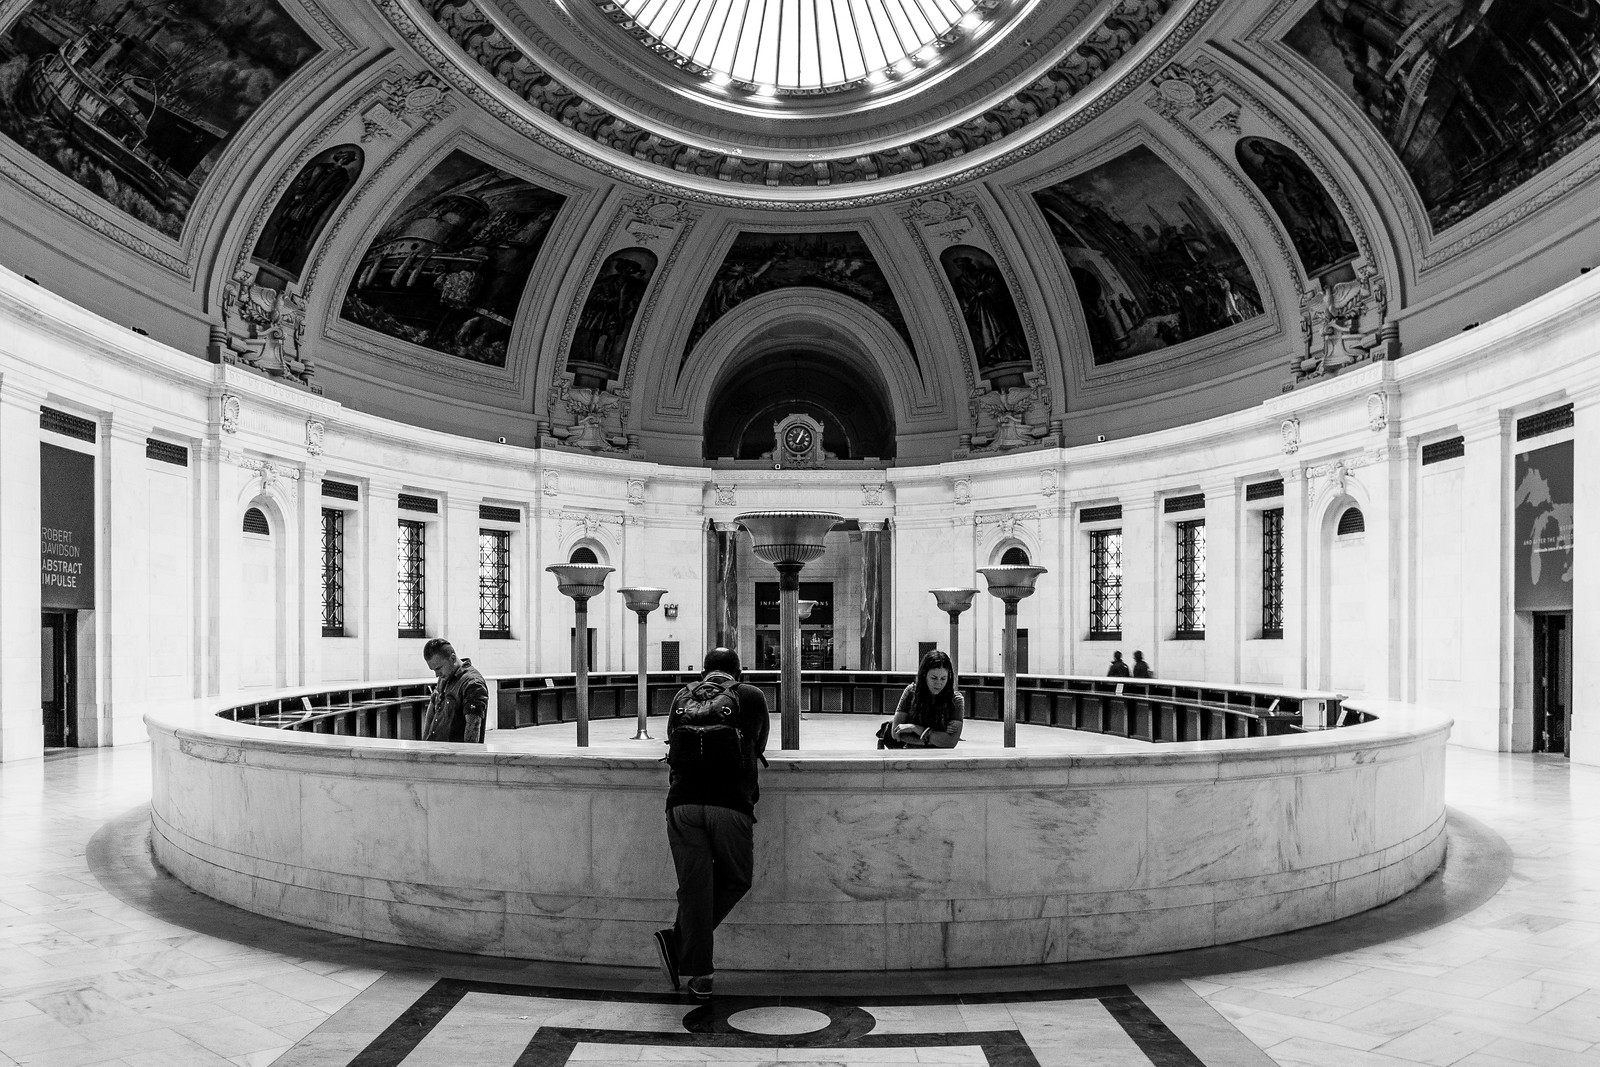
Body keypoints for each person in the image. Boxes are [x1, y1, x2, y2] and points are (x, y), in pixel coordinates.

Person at [655, 647, 769, 1000]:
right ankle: (677, 940)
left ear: (704, 671)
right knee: (736, 879)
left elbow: (673, 738)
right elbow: (759, 743)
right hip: (729, 805)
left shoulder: (681, 696)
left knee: (694, 889)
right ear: (739, 672)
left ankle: (701, 974)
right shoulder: (750, 695)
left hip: (682, 804)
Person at [889, 649, 965, 749]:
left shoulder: (956, 700)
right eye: (934, 678)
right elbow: (896, 733)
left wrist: (915, 728)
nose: (938, 684)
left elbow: (950, 742)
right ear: (924, 675)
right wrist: (937, 737)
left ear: (949, 677)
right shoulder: (911, 692)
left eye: (943, 678)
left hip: (941, 759)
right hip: (910, 755)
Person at [420, 639, 487, 743]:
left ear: (452, 658)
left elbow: (473, 728)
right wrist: (424, 743)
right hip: (436, 751)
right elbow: (433, 706)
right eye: (433, 670)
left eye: (438, 669)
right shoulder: (445, 677)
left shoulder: (472, 683)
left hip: (454, 755)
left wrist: (466, 757)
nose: (437, 674)